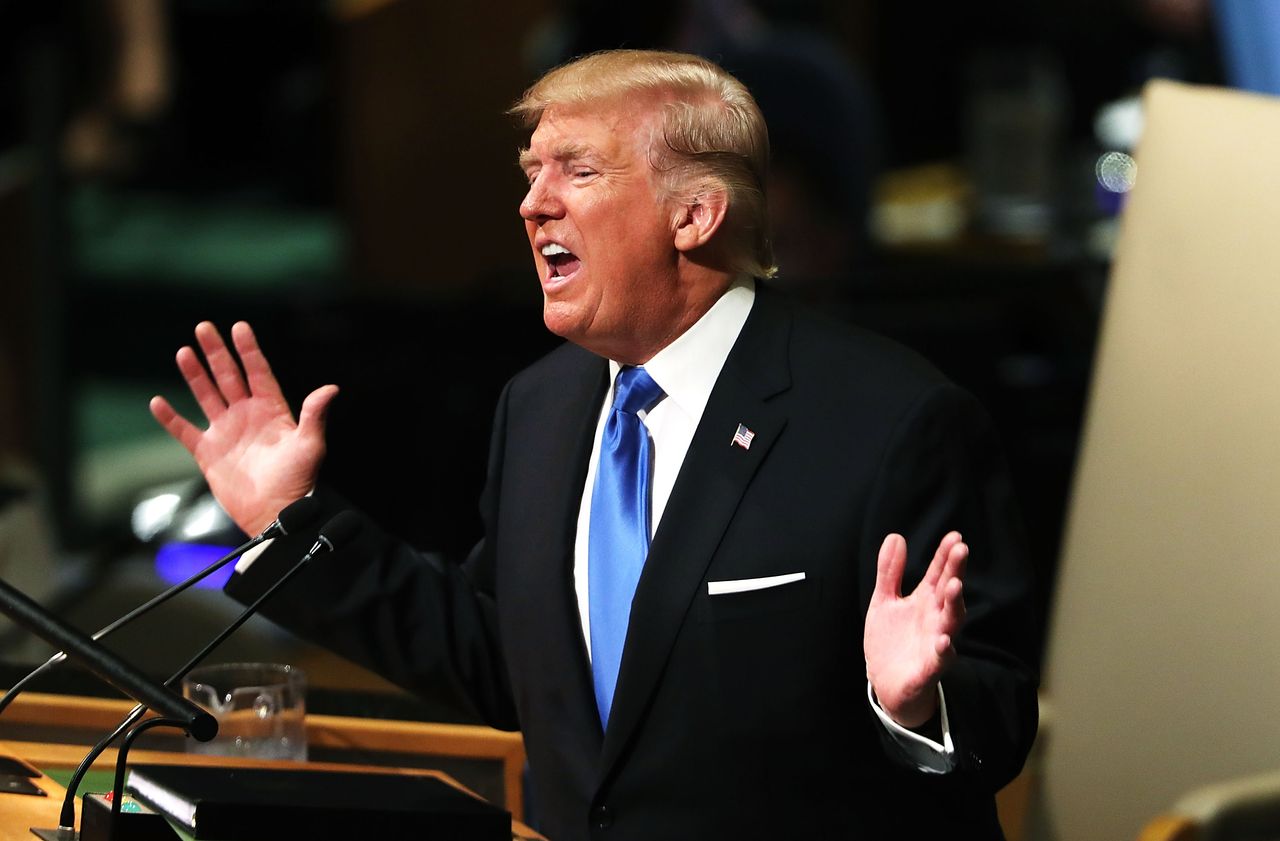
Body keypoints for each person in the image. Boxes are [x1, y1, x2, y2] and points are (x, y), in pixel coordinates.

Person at [150, 50, 1038, 840]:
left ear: (694, 214)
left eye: (576, 171)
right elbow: (508, 660)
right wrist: (287, 518)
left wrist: (912, 702)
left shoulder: (890, 420)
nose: (533, 203)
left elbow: (994, 720)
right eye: (532, 171)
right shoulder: (539, 406)